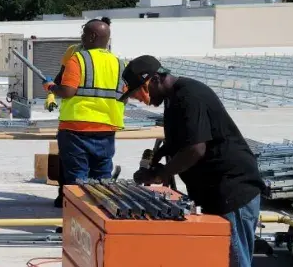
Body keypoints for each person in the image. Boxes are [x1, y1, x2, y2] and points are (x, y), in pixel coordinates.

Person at [121, 55, 265, 267]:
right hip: (213, 191)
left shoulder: (189, 96)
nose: (142, 100)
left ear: (154, 79)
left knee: (235, 261)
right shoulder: (172, 99)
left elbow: (195, 149)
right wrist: (156, 161)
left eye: (140, 93)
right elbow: (179, 142)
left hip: (233, 191)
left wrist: (162, 174)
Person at [45, 18, 126, 208]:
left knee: (76, 179)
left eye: (83, 34)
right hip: (106, 129)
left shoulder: (78, 59)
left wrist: (50, 87)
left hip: (76, 129)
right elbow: (125, 95)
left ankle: (76, 224)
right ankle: (99, 220)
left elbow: (67, 91)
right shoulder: (119, 63)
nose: (81, 38)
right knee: (102, 179)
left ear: (92, 36)